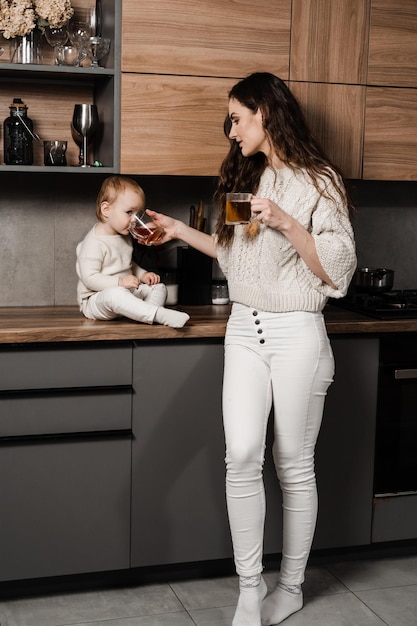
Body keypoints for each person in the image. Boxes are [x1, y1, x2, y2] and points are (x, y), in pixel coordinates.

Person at [147, 72, 357, 625]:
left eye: (237, 117)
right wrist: (175, 230)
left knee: (293, 465)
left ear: (266, 112)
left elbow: (338, 272)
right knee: (241, 455)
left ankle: (289, 587)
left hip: (297, 335)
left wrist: (287, 222)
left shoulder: (322, 183)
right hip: (244, 330)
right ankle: (248, 588)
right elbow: (232, 255)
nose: (231, 130)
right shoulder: (251, 179)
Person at [76, 175, 189, 328]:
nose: (135, 220)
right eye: (129, 212)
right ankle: (158, 314)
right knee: (115, 294)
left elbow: (128, 263)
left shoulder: (124, 236)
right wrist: (120, 282)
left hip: (127, 292)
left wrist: (142, 275)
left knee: (159, 288)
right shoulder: (93, 242)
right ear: (106, 210)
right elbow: (89, 278)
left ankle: (144, 314)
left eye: (137, 214)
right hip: (97, 300)